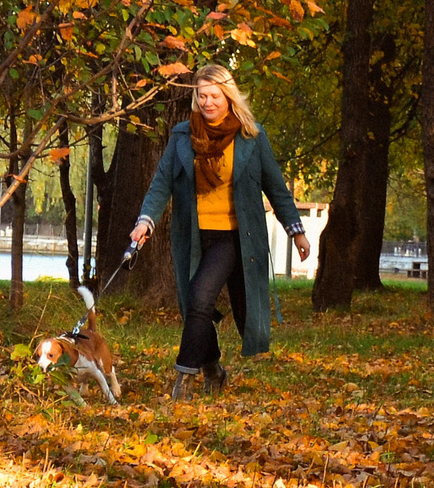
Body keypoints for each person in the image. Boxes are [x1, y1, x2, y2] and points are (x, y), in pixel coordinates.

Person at [131, 65, 310, 399]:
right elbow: (161, 184)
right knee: (193, 306)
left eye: (214, 95)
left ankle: (183, 379)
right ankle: (213, 369)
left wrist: (295, 230)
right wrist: (145, 221)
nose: (207, 102)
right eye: (201, 95)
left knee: (200, 297)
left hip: (234, 237)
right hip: (194, 236)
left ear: (228, 96)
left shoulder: (250, 136)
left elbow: (276, 187)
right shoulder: (183, 136)